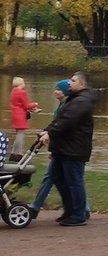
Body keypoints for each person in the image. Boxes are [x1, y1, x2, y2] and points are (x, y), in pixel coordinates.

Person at [39, 72, 95, 225]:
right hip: (63, 148)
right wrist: (46, 130)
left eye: (73, 80)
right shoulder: (73, 99)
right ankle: (70, 210)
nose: (69, 83)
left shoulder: (82, 101)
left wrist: (50, 133)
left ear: (82, 84)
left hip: (74, 149)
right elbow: (59, 119)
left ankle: (79, 215)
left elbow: (67, 121)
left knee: (74, 181)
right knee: (58, 178)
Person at [27, 78, 72, 219]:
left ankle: (35, 207)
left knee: (68, 179)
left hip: (64, 149)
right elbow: (55, 124)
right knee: (61, 179)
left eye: (58, 89)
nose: (55, 91)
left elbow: (61, 128)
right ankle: (82, 208)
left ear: (65, 92)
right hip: (60, 148)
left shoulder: (66, 108)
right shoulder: (60, 106)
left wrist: (52, 146)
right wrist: (45, 131)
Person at [9, 76, 37, 160]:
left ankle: (13, 154)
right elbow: (26, 105)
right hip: (21, 115)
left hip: (15, 114)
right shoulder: (22, 92)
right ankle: (19, 154)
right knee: (21, 135)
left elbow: (20, 104)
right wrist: (35, 104)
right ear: (21, 84)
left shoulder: (13, 91)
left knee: (18, 134)